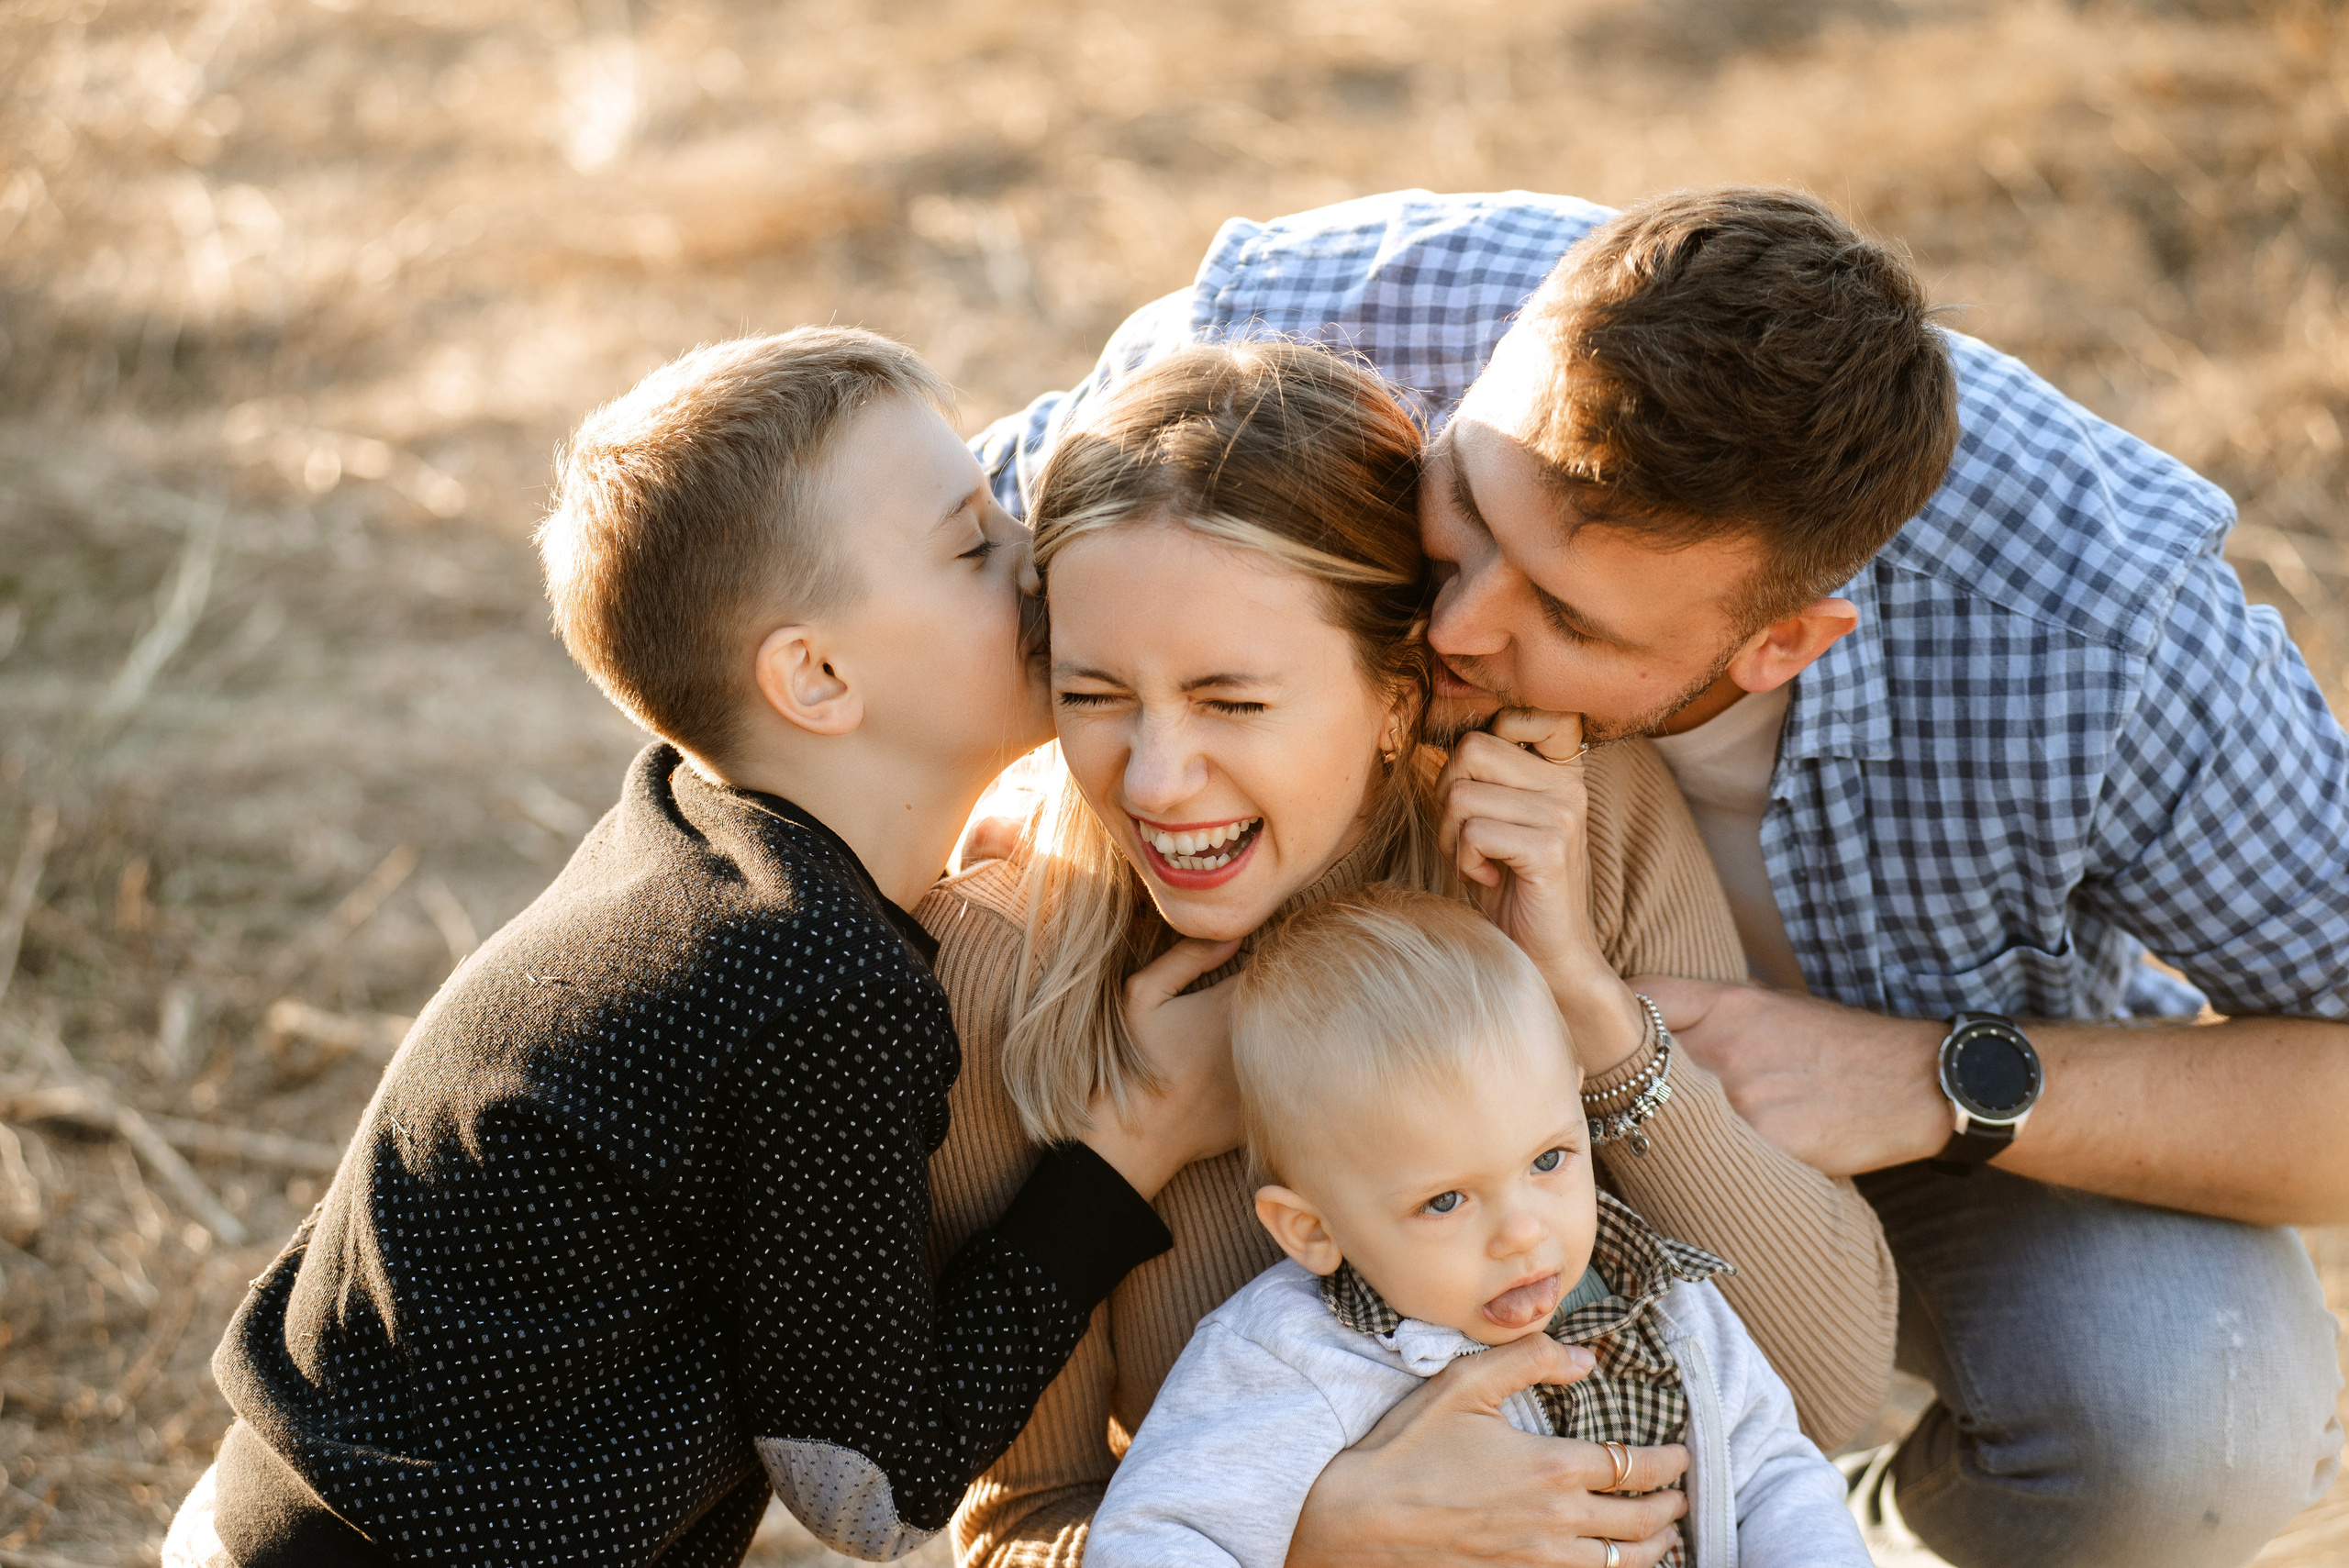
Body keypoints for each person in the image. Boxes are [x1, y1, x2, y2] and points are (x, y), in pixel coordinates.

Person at [974, 185, 2349, 1567]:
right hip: (1415, 1077)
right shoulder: (1348, 321)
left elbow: (1819, 1374)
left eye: (1564, 614)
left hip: (1894, 1098)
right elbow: (922, 582)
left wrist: (1932, 1080)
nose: (1452, 623)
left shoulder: (2105, 642)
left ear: (1780, 643)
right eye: (1464, 507)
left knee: (2195, 1416)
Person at [166, 329, 1236, 1567]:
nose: (1031, 551)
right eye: (971, 542)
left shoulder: (688, 832)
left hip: (277, 1515)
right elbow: (872, 1490)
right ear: (817, 676)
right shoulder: (816, 983)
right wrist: (1126, 1148)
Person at [918, 340, 1899, 1568]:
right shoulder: (1005, 972)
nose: (1157, 779)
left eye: (1233, 701)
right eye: (1096, 694)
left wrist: (1585, 1007)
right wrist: (1319, 1537)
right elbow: (1014, 1521)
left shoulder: (1577, 823)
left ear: (1397, 689)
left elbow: (1826, 1395)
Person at [1088, 887, 1869, 1568]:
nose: (1524, 1233)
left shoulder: (1658, 1296)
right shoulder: (1294, 1359)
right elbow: (1159, 1532)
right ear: (1311, 1230)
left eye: (1550, 1158)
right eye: (1445, 1201)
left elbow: (1770, 1471)